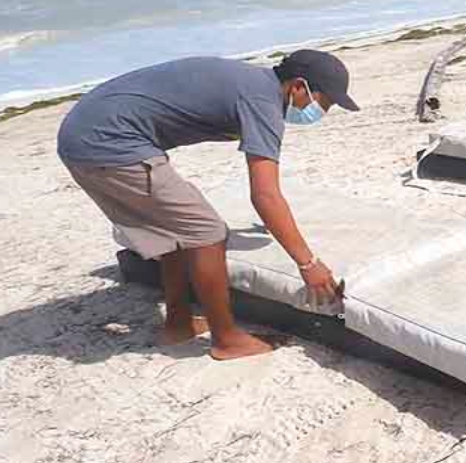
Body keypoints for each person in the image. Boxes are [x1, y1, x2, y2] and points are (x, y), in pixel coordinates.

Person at [57, 50, 359, 360]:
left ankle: (179, 323)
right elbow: (265, 195)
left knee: (177, 232)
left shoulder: (253, 83)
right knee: (208, 233)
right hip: (108, 143)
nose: (324, 110)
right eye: (326, 102)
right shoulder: (263, 102)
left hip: (86, 133)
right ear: (298, 87)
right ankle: (227, 339)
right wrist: (308, 264)